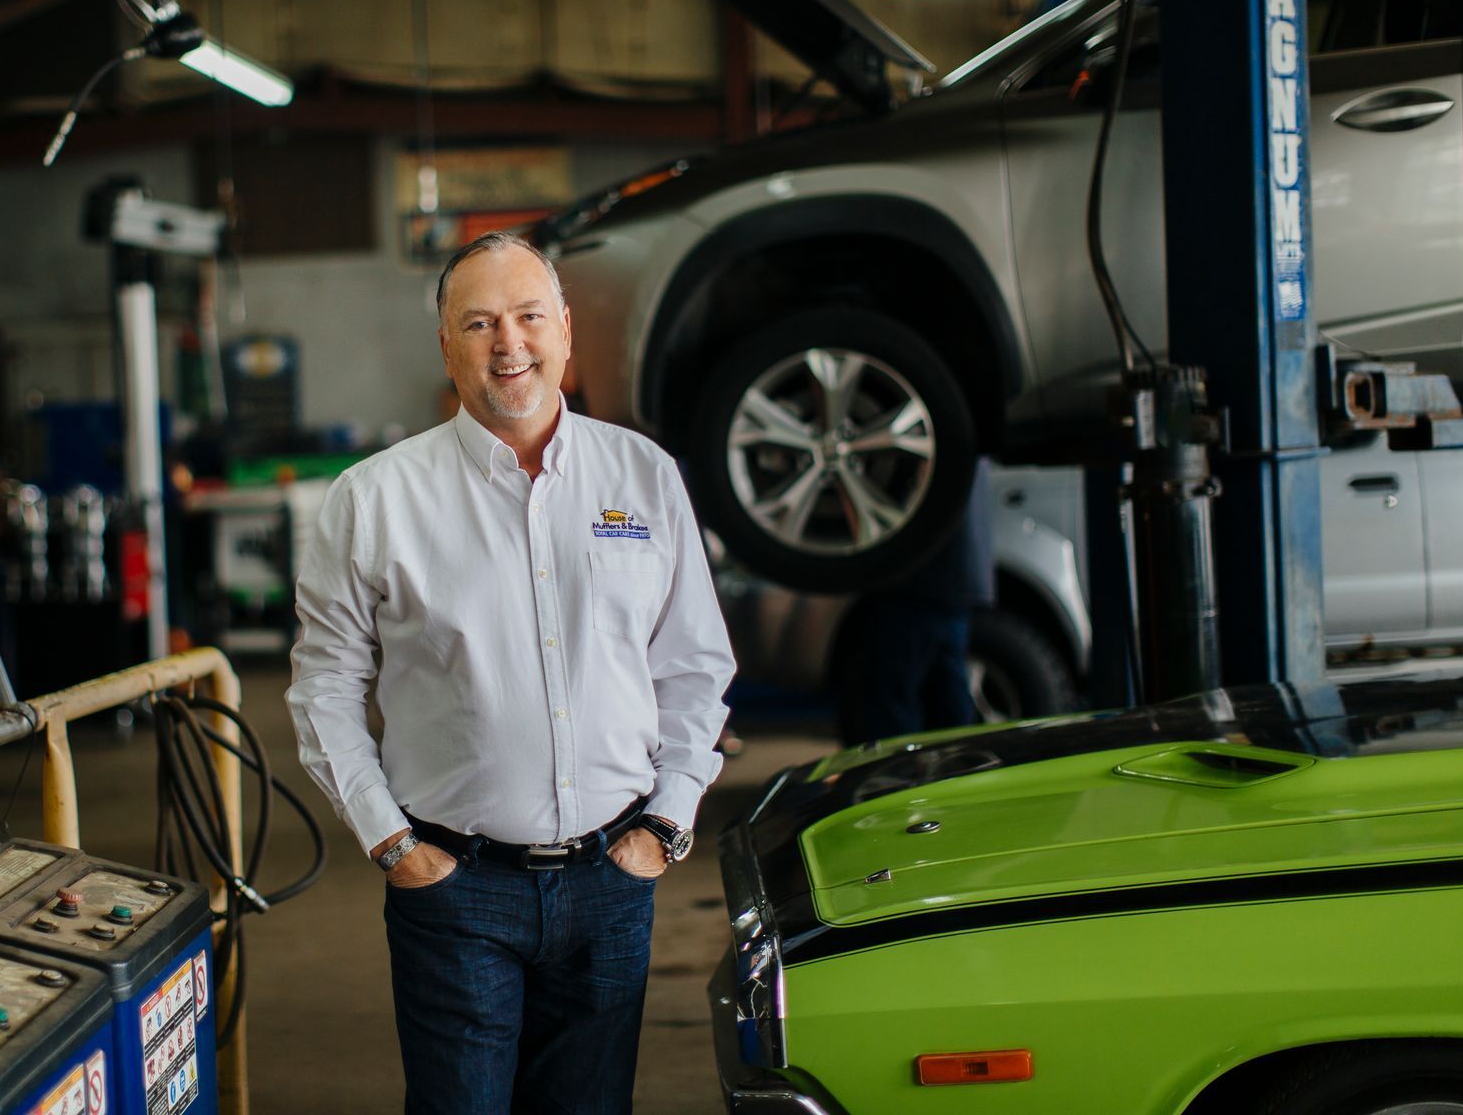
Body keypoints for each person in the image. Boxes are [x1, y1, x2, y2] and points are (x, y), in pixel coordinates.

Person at [286, 232, 735, 1115]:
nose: (509, 344)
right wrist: (393, 843)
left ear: (565, 330)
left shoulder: (642, 477)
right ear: (446, 345)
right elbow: (324, 687)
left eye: (530, 317)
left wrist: (667, 826)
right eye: (480, 323)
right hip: (455, 890)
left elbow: (693, 665)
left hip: (614, 878)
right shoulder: (375, 499)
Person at [840, 457, 993, 745]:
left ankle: (891, 780)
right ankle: (951, 777)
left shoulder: (931, 430)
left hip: (913, 580)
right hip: (958, 578)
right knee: (948, 701)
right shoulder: (969, 426)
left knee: (889, 707)